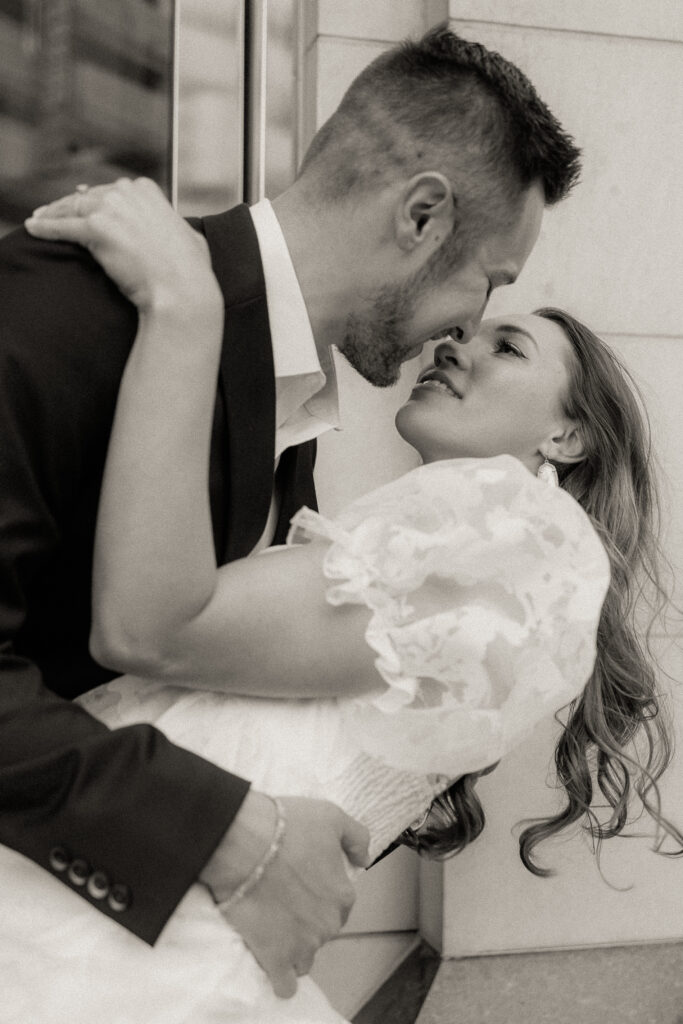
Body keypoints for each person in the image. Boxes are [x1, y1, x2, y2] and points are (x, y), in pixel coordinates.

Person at [8, 177, 679, 1024]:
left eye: (507, 347)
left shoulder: (514, 530)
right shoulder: (452, 545)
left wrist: (184, 307)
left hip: (127, 926)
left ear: (566, 435)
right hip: (141, 892)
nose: (456, 346)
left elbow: (157, 622)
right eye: (470, 329)